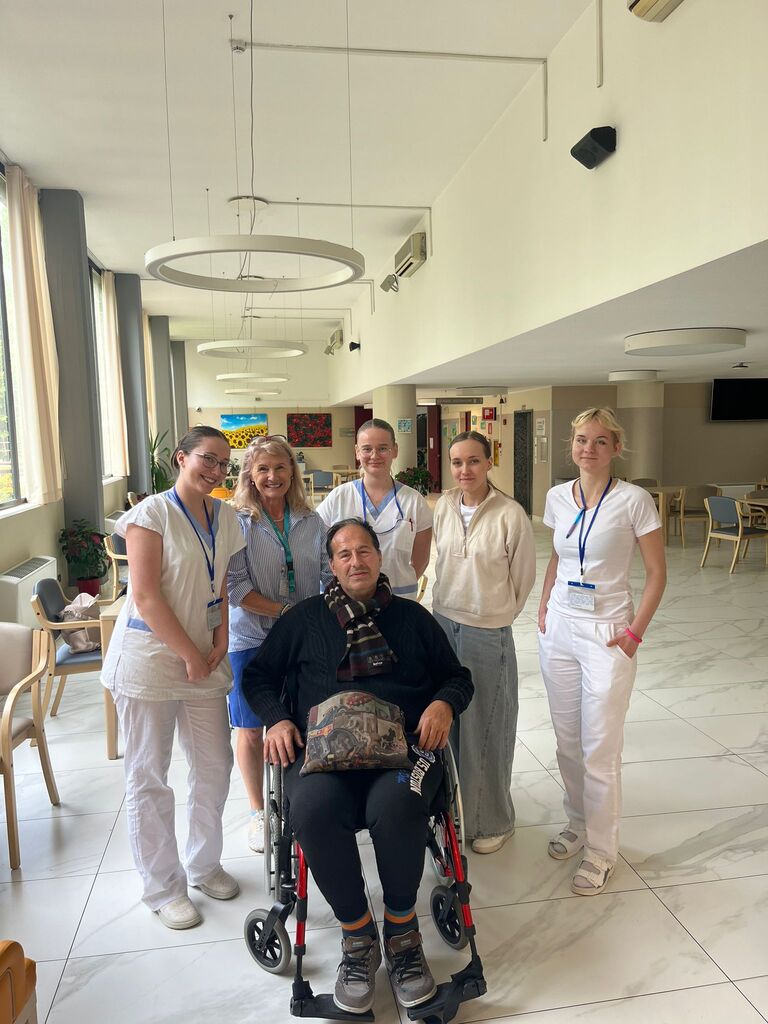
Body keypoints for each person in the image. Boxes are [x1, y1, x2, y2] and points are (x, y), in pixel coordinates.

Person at [242, 518, 473, 1016]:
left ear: (379, 556)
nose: (355, 561)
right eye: (344, 554)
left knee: (400, 804)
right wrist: (277, 719)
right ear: (331, 565)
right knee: (312, 811)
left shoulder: (412, 619)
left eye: (364, 551)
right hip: (322, 754)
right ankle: (358, 936)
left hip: (404, 750)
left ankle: (402, 935)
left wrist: (443, 704)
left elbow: (457, 677)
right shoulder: (304, 620)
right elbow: (257, 677)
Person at [101, 426, 247, 930]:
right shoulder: (151, 515)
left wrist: (221, 638)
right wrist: (189, 654)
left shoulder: (225, 517)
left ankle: (204, 865)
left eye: (224, 463)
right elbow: (144, 596)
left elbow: (219, 584)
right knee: (149, 776)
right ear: (181, 458)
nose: (216, 471)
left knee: (214, 766)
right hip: (151, 662)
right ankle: (163, 887)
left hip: (204, 658)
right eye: (208, 459)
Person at [537, 408, 666, 895]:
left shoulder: (634, 500)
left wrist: (634, 633)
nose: (588, 449)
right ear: (571, 445)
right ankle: (578, 821)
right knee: (566, 741)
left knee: (600, 747)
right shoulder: (557, 497)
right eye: (581, 440)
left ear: (616, 448)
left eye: (599, 441)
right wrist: (544, 607)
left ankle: (602, 850)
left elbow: (657, 573)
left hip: (609, 633)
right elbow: (558, 554)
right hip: (560, 628)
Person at [432, 430, 536, 855]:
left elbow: (523, 578)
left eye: (473, 461)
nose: (465, 470)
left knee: (488, 726)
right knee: (449, 723)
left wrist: (495, 614)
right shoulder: (443, 506)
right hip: (444, 623)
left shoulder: (510, 513)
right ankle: (456, 811)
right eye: (457, 462)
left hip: (487, 630)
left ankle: (494, 820)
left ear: (489, 462)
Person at [227, 434, 331, 854]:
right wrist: (286, 612)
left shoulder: (311, 521)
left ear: (292, 472)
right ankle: (258, 812)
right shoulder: (237, 522)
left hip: (301, 639)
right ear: (250, 475)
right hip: (251, 638)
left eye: (280, 467)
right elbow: (236, 587)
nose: (272, 476)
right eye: (263, 469)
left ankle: (303, 796)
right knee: (251, 728)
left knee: (303, 718)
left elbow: (328, 573)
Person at [316, 418, 432, 599]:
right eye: (367, 449)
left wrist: (395, 584)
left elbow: (421, 559)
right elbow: (321, 552)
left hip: (398, 597)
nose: (374, 455)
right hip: (347, 598)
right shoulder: (338, 497)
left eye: (383, 448)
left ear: (395, 450)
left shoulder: (414, 501)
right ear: (357, 452)